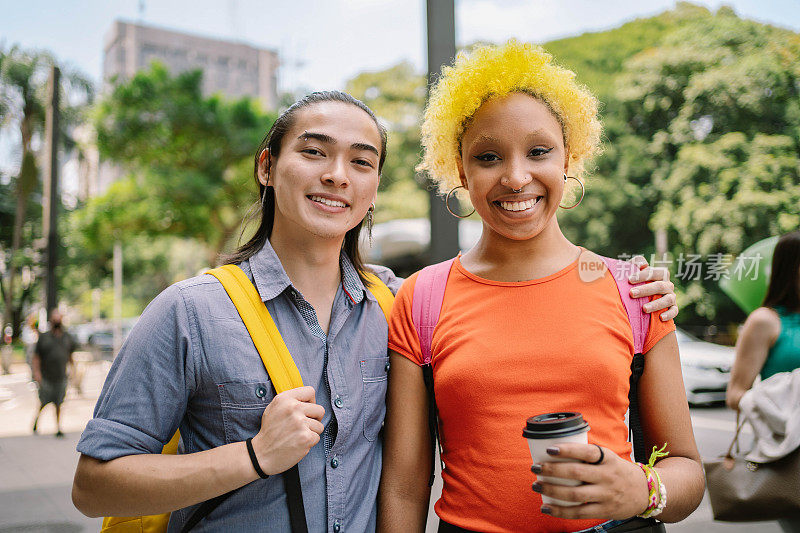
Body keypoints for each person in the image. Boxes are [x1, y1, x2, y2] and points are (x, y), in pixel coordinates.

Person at [72, 90, 677, 531]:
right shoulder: (191, 312)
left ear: (374, 188)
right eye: (314, 153)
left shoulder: (396, 302)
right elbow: (94, 486)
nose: (337, 176)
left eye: (361, 162)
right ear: (267, 167)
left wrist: (633, 286)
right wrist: (253, 457)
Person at [379, 41, 704, 533]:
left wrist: (641, 489)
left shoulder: (634, 291)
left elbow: (688, 471)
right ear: (461, 171)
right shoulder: (422, 298)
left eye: (538, 151)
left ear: (568, 158)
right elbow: (405, 485)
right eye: (488, 157)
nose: (515, 176)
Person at [726, 231, 800, 533]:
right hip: (791, 451)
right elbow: (735, 393)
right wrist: (790, 391)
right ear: (791, 268)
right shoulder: (766, 321)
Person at [32, 309, 76, 437]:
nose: (57, 321)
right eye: (55, 318)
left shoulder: (67, 337)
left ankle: (58, 427)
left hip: (61, 376)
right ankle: (36, 421)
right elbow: (36, 357)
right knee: (44, 402)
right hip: (46, 376)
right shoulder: (44, 337)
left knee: (59, 403)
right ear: (51, 320)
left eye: (59, 318)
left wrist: (73, 371)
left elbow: (71, 355)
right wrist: (37, 373)